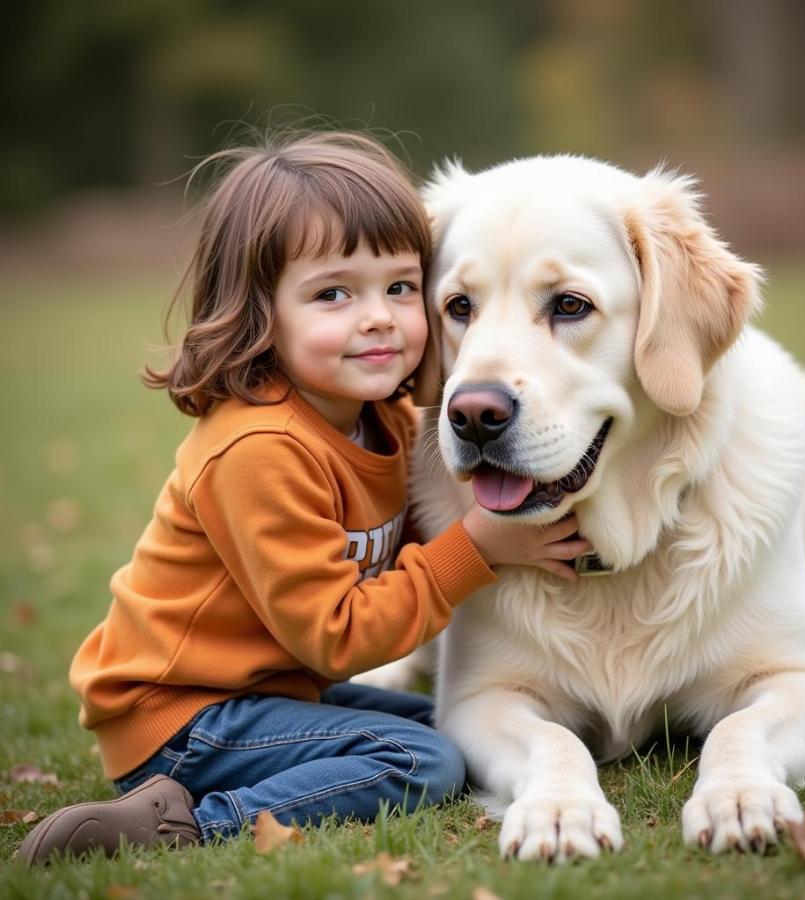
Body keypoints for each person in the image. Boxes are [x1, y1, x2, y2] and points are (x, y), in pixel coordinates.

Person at [18, 132, 591, 865]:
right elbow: (337, 636)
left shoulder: (379, 411)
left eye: (401, 287)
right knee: (422, 761)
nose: (380, 316)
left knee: (464, 729)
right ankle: (188, 821)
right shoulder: (258, 451)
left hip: (271, 697)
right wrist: (475, 549)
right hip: (181, 716)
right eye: (333, 294)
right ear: (262, 313)